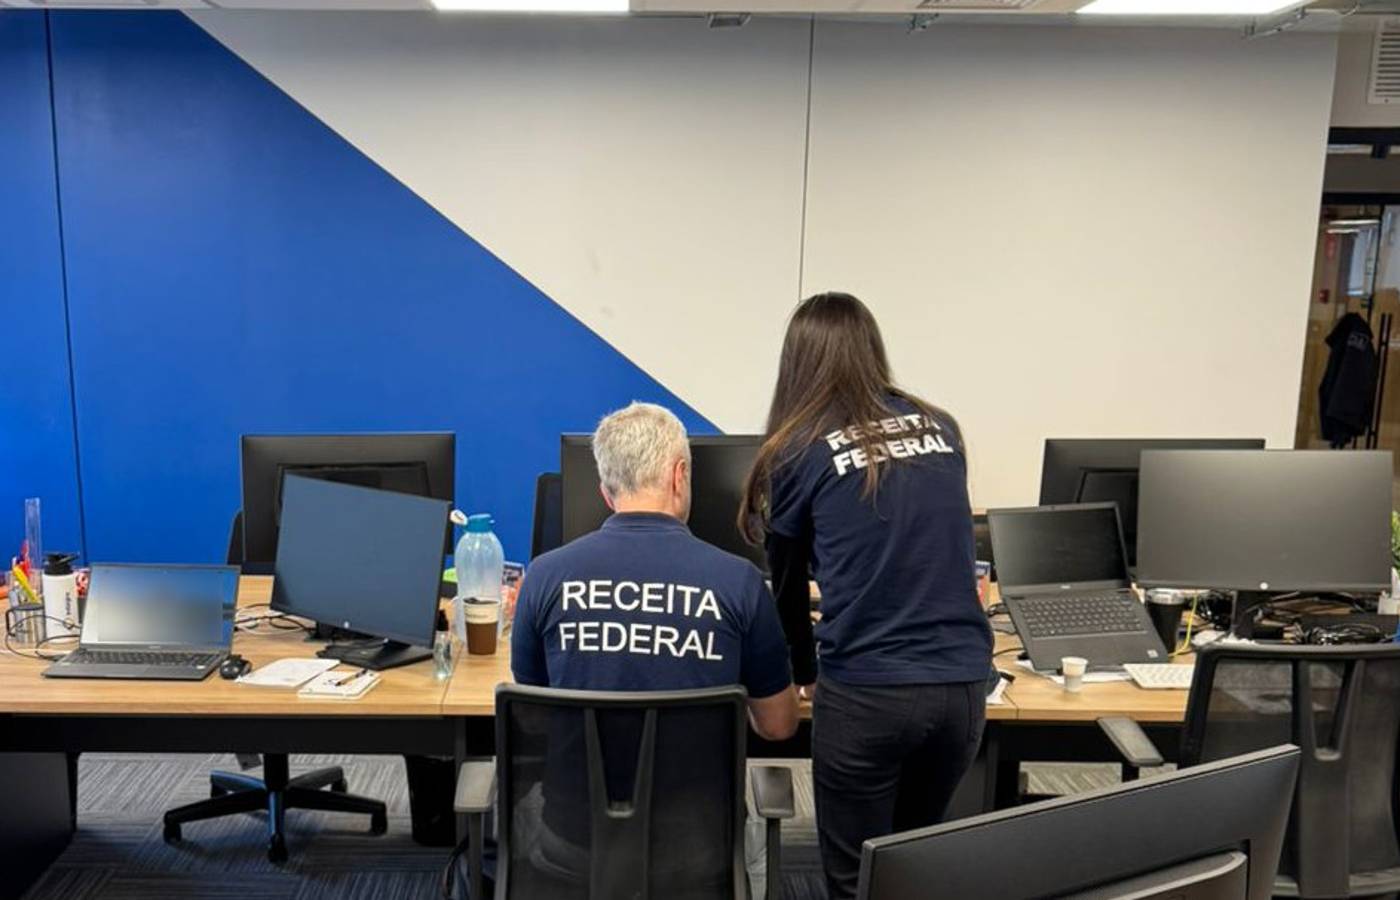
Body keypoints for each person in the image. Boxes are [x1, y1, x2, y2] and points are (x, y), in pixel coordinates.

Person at [739, 291, 993, 900]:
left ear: (796, 361)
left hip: (870, 690)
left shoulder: (797, 448)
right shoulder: (941, 427)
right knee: (912, 868)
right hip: (961, 688)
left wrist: (803, 675)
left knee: (855, 881)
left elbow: (787, 590)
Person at [513, 400, 799, 737]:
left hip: (575, 773)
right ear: (679, 476)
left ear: (606, 493)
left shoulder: (543, 577)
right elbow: (778, 727)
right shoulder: (741, 583)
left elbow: (531, 719)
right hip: (697, 774)